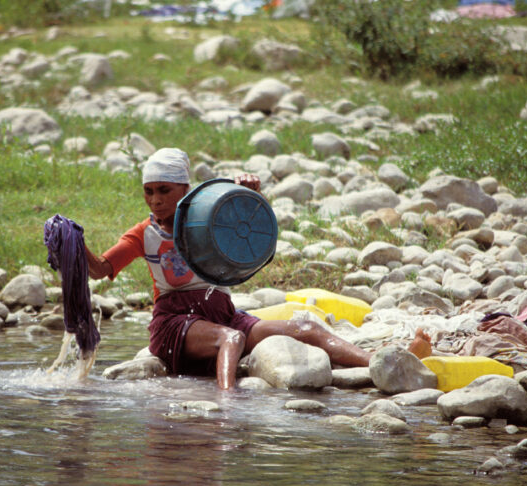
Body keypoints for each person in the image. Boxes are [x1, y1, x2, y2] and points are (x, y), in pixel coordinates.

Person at [83, 148, 431, 389]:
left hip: (222, 313)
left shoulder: (213, 217)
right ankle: (227, 404)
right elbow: (99, 269)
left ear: (185, 190)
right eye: (148, 191)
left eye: (164, 190)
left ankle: (383, 363)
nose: (155, 199)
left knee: (307, 325)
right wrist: (73, 242)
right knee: (231, 340)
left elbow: (252, 236)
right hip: (176, 324)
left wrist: (248, 196)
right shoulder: (144, 234)